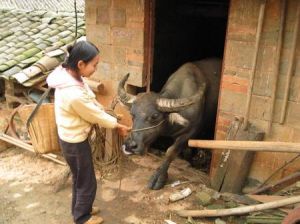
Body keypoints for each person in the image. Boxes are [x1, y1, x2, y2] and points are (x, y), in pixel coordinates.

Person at [46, 40, 131, 224]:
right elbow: (93, 114)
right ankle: (82, 218)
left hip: (71, 138)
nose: (95, 69)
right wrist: (116, 125)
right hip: (74, 142)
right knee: (86, 180)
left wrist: (109, 115)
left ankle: (81, 208)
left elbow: (90, 101)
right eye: (94, 65)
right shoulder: (72, 93)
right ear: (80, 64)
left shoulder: (70, 75)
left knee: (80, 177)